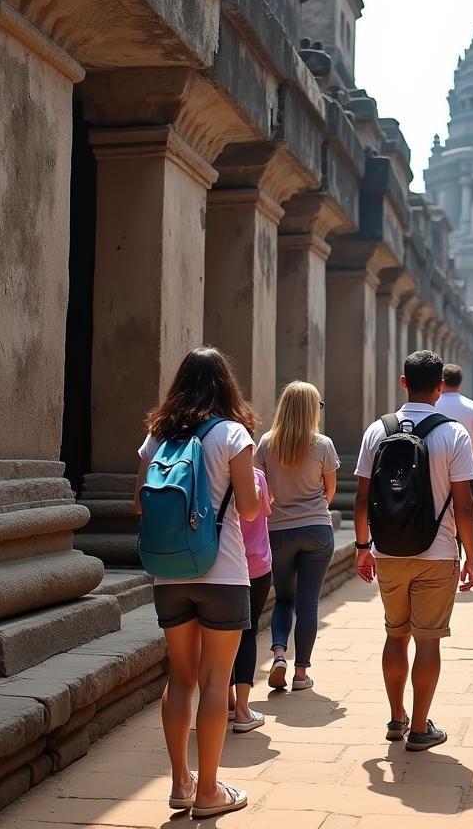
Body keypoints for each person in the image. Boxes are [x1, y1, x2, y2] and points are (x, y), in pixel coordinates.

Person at [134, 346, 260, 819]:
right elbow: (248, 509)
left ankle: (179, 783)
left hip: (169, 573)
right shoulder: (232, 434)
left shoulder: (156, 437)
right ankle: (209, 791)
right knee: (215, 680)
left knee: (181, 678)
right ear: (226, 384)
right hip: (223, 572)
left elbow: (140, 504)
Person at [354, 350, 473, 752]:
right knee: (428, 642)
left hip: (388, 551)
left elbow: (361, 499)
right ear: (440, 386)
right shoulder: (454, 433)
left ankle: (396, 718)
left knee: (396, 635)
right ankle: (421, 727)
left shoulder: (377, 430)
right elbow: (464, 504)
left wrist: (361, 547)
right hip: (437, 551)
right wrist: (472, 556)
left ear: (403, 382)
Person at [255, 380, 339, 692]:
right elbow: (329, 491)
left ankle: (279, 654)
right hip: (316, 530)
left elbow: (258, 488)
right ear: (311, 410)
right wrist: (313, 507)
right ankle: (301, 673)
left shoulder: (266, 443)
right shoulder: (323, 445)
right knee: (308, 602)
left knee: (284, 598)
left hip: (277, 531)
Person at [227, 468, 273, 732]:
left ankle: (227, 702)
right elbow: (262, 512)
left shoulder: (209, 476)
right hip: (255, 566)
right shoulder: (256, 476)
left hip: (222, 568)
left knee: (219, 636)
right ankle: (243, 709)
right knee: (248, 633)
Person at [435, 364, 473, 509]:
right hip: (467, 468)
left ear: (442, 381)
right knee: (466, 511)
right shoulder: (472, 407)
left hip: (436, 467)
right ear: (460, 382)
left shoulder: (433, 404)